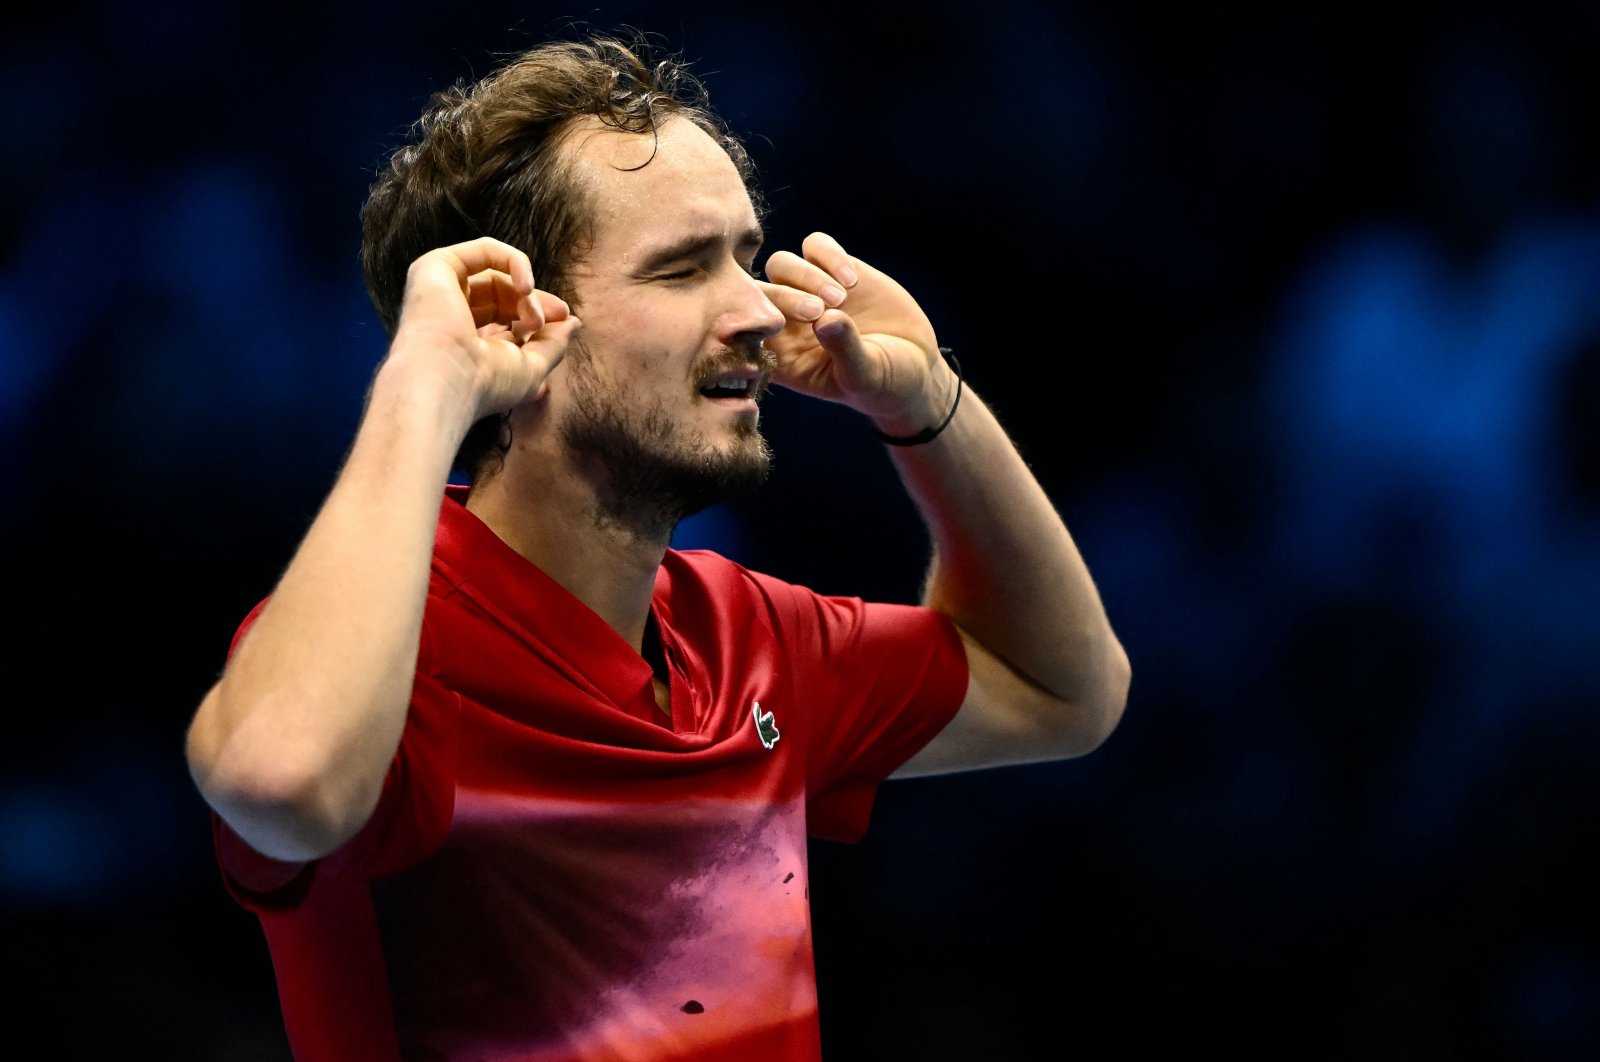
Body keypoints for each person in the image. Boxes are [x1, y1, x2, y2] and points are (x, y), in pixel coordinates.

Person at [184, 31, 1131, 1062]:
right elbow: (281, 785)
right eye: (682, 270)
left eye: (742, 253)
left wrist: (927, 401)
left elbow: (1062, 690)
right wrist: (423, 384)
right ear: (514, 332)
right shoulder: (378, 664)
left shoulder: (753, 639)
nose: (761, 310)